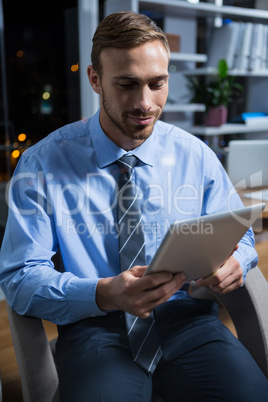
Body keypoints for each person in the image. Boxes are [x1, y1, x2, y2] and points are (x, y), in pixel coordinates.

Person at [0, 11, 267, 401]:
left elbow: (239, 234)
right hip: (96, 327)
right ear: (95, 79)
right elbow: (21, 277)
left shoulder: (196, 155)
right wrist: (104, 294)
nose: (145, 103)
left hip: (188, 321)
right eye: (126, 84)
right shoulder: (41, 165)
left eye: (157, 84)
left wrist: (235, 262)